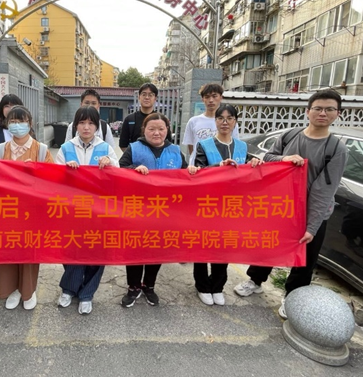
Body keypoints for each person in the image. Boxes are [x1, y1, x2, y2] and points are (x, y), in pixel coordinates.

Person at [233, 89, 348, 318]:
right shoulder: (290, 135)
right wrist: (284, 159)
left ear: (338, 114)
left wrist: (311, 226)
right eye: (318, 108)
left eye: (329, 109)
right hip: (281, 207)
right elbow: (268, 158)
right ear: (308, 111)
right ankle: (255, 280)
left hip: (313, 212)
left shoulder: (336, 149)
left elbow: (324, 191)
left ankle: (292, 296)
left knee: (305, 257)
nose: (322, 113)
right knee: (268, 245)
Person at [187, 104, 263, 306]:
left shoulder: (242, 147)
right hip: (207, 204)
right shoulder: (204, 145)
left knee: (223, 246)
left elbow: (250, 171)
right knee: (203, 246)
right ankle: (202, 285)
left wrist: (255, 162)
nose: (225, 122)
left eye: (230, 118)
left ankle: (217, 285)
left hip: (231, 207)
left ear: (235, 121)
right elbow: (198, 172)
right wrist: (218, 167)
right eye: (221, 118)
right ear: (215, 121)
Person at [119, 113, 188, 307]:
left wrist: (192, 171)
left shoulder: (175, 151)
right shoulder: (134, 148)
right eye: (151, 129)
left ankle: (149, 286)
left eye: (161, 129)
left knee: (156, 250)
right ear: (144, 130)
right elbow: (120, 169)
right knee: (134, 249)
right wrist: (134, 169)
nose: (156, 133)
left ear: (167, 130)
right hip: (137, 210)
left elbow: (186, 178)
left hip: (164, 212)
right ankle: (133, 287)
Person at [55, 106, 119, 315]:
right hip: (72, 210)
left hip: (98, 211)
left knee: (95, 252)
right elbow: (53, 179)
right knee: (71, 249)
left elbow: (118, 177)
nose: (86, 127)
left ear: (97, 126)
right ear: (75, 125)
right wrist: (65, 171)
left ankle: (87, 294)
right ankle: (69, 289)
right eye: (82, 123)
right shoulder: (66, 148)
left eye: (91, 123)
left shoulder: (105, 148)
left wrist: (110, 164)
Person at [0, 106, 54, 311]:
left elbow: (52, 181)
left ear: (30, 123)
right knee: (7, 251)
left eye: (21, 121)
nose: (17, 125)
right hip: (6, 210)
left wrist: (36, 172)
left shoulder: (41, 150)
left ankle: (28, 290)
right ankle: (11, 289)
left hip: (31, 212)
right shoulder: (1, 149)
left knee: (29, 252)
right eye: (12, 122)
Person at [183, 84, 239, 158]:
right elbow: (191, 147)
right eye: (207, 97)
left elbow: (234, 145)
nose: (211, 100)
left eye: (214, 96)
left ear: (221, 97)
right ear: (203, 99)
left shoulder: (230, 122)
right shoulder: (193, 121)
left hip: (220, 163)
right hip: (198, 163)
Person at [119, 83, 172, 152]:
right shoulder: (129, 119)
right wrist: (133, 156)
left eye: (150, 95)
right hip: (136, 158)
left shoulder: (162, 120)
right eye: (144, 94)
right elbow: (123, 144)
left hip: (158, 157)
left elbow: (168, 143)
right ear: (139, 97)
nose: (147, 97)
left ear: (155, 98)